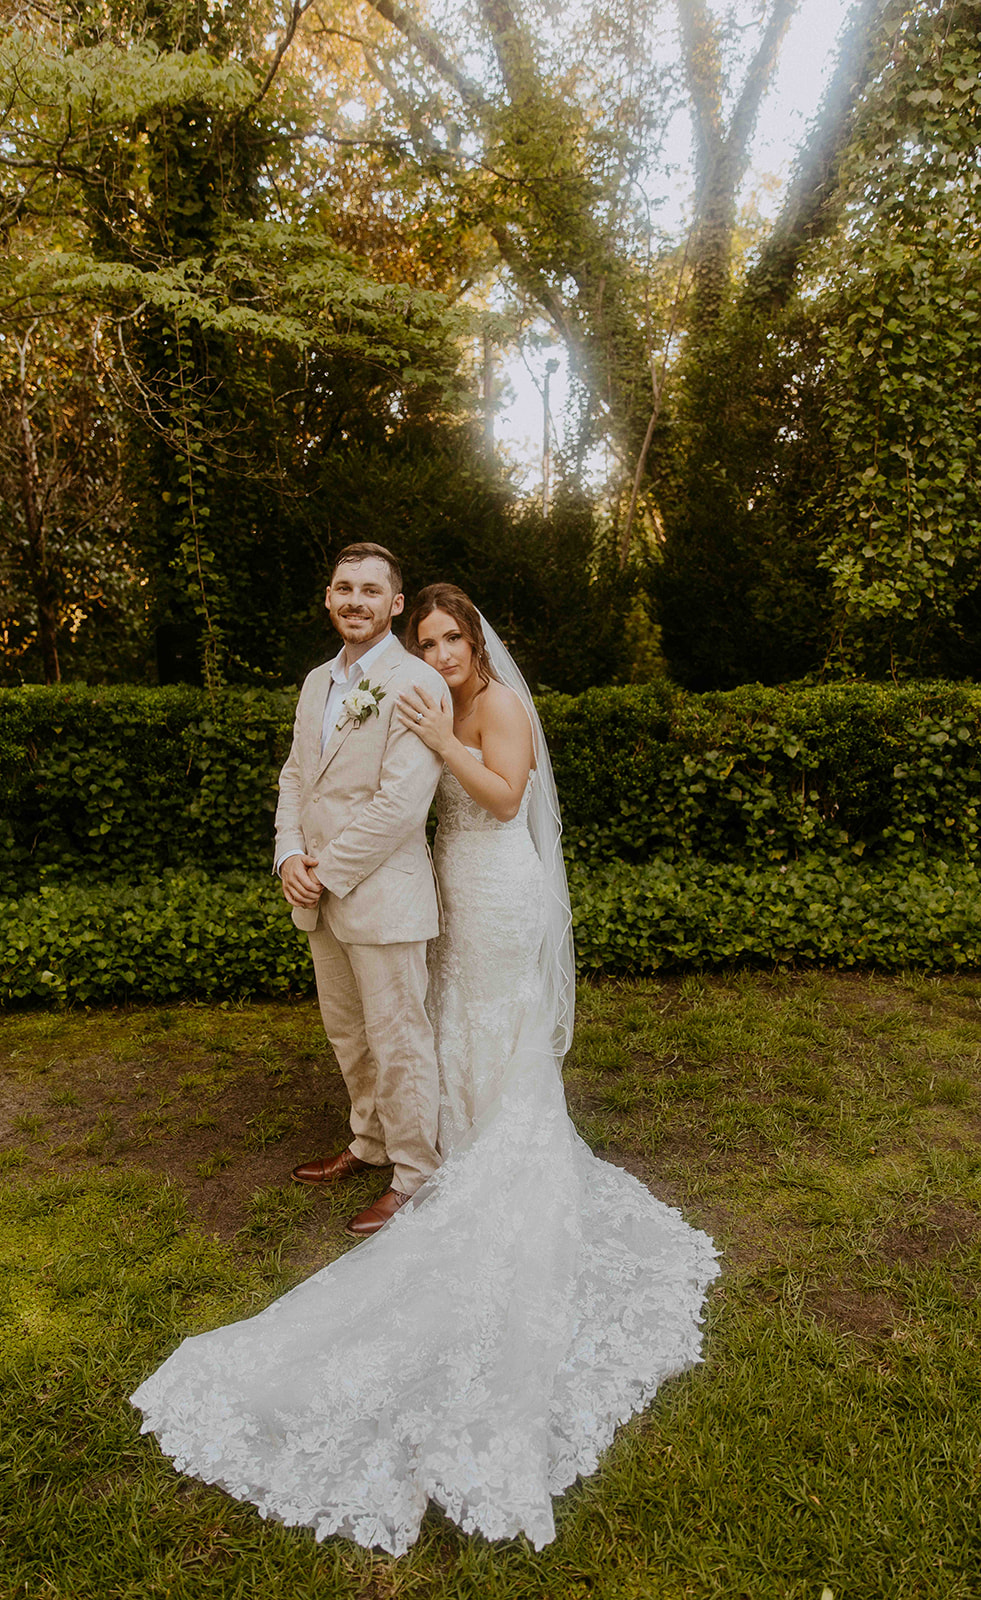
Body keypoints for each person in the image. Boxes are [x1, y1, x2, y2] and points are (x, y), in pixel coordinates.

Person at [130, 583, 718, 1556]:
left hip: (499, 884)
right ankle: (454, 1137)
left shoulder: (497, 707)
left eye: (451, 638)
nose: (439, 653)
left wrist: (440, 743)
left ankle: (501, 1152)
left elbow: (505, 794)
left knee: (490, 1021)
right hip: (447, 880)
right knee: (452, 1024)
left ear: (475, 638)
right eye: (428, 640)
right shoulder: (424, 695)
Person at [271, 542, 448, 1235]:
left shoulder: (416, 683)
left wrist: (325, 870)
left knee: (399, 1036)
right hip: (316, 891)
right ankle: (369, 1141)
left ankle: (414, 1174)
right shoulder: (317, 681)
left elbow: (401, 805)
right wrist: (288, 853)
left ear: (395, 604)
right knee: (349, 1032)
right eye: (344, 587)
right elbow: (295, 775)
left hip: (381, 892)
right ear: (327, 596)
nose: (355, 601)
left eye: (371, 590)